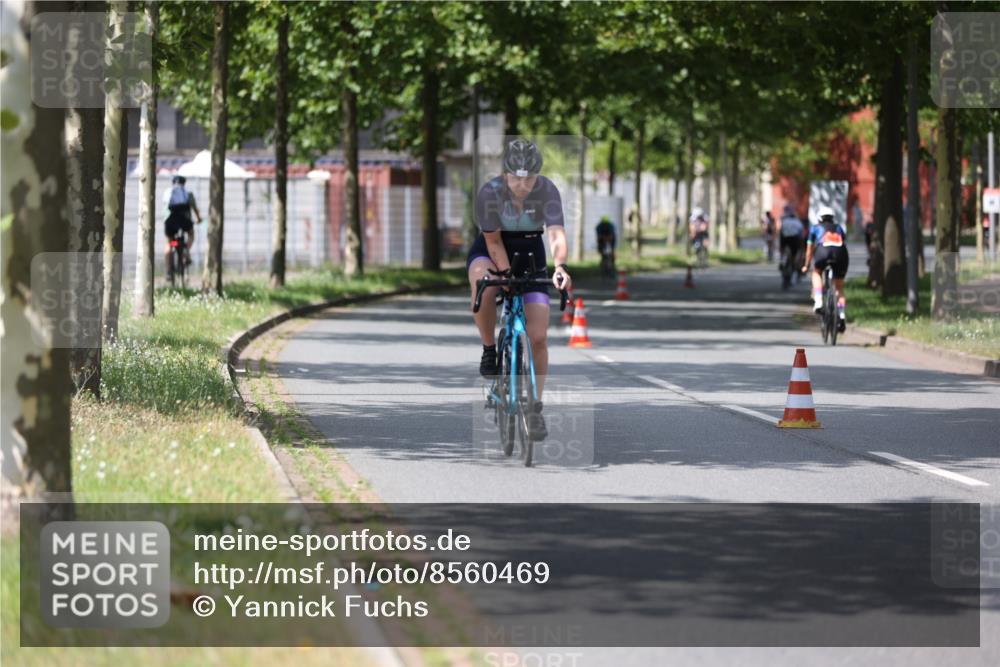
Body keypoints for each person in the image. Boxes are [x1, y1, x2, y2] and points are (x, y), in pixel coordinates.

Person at [467, 139, 571, 440]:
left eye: (529, 177)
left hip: (529, 253)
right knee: (483, 284)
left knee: (538, 337)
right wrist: (505, 277)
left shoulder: (547, 191)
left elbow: (556, 235)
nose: (522, 183)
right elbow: (494, 242)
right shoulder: (489, 193)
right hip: (492, 251)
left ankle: (535, 406)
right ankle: (489, 349)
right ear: (505, 173)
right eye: (516, 177)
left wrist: (560, 266)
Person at [802, 205, 849, 331]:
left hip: (823, 251)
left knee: (816, 273)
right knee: (839, 286)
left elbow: (809, 250)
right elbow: (844, 242)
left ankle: (818, 300)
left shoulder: (815, 228)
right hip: (841, 253)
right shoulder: (839, 228)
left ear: (819, 219)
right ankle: (842, 315)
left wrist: (806, 265)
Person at [163, 175, 202, 276]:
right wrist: (199, 219)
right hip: (184, 221)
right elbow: (195, 209)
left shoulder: (167, 193)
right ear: (184, 184)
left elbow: (164, 210)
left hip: (170, 222)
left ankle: (168, 270)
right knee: (191, 234)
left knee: (169, 243)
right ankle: (186, 249)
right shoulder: (188, 194)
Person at [778, 204, 804, 281]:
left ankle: (783, 260)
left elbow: (780, 231)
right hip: (795, 239)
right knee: (795, 254)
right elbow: (801, 232)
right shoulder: (797, 221)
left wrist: (780, 245)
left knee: (784, 251)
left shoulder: (784, 220)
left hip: (785, 238)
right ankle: (794, 264)